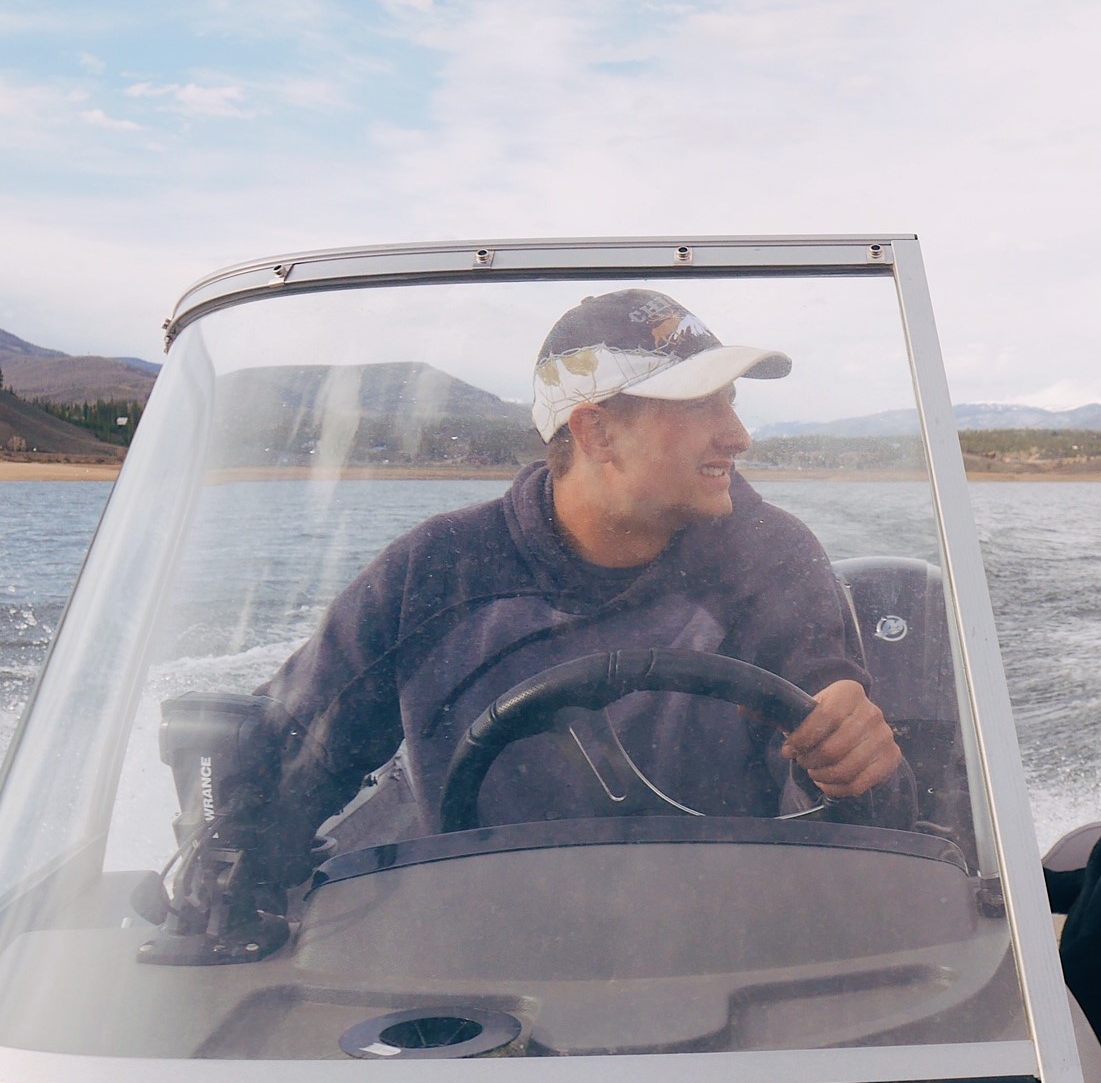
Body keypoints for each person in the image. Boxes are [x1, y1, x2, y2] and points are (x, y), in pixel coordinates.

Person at [252, 288, 909, 879]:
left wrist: (849, 760)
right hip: (473, 948)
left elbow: (840, 754)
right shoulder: (436, 571)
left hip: (723, 932)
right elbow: (286, 763)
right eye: (702, 403)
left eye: (731, 404)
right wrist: (233, 850)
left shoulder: (770, 555)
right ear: (595, 430)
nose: (737, 436)